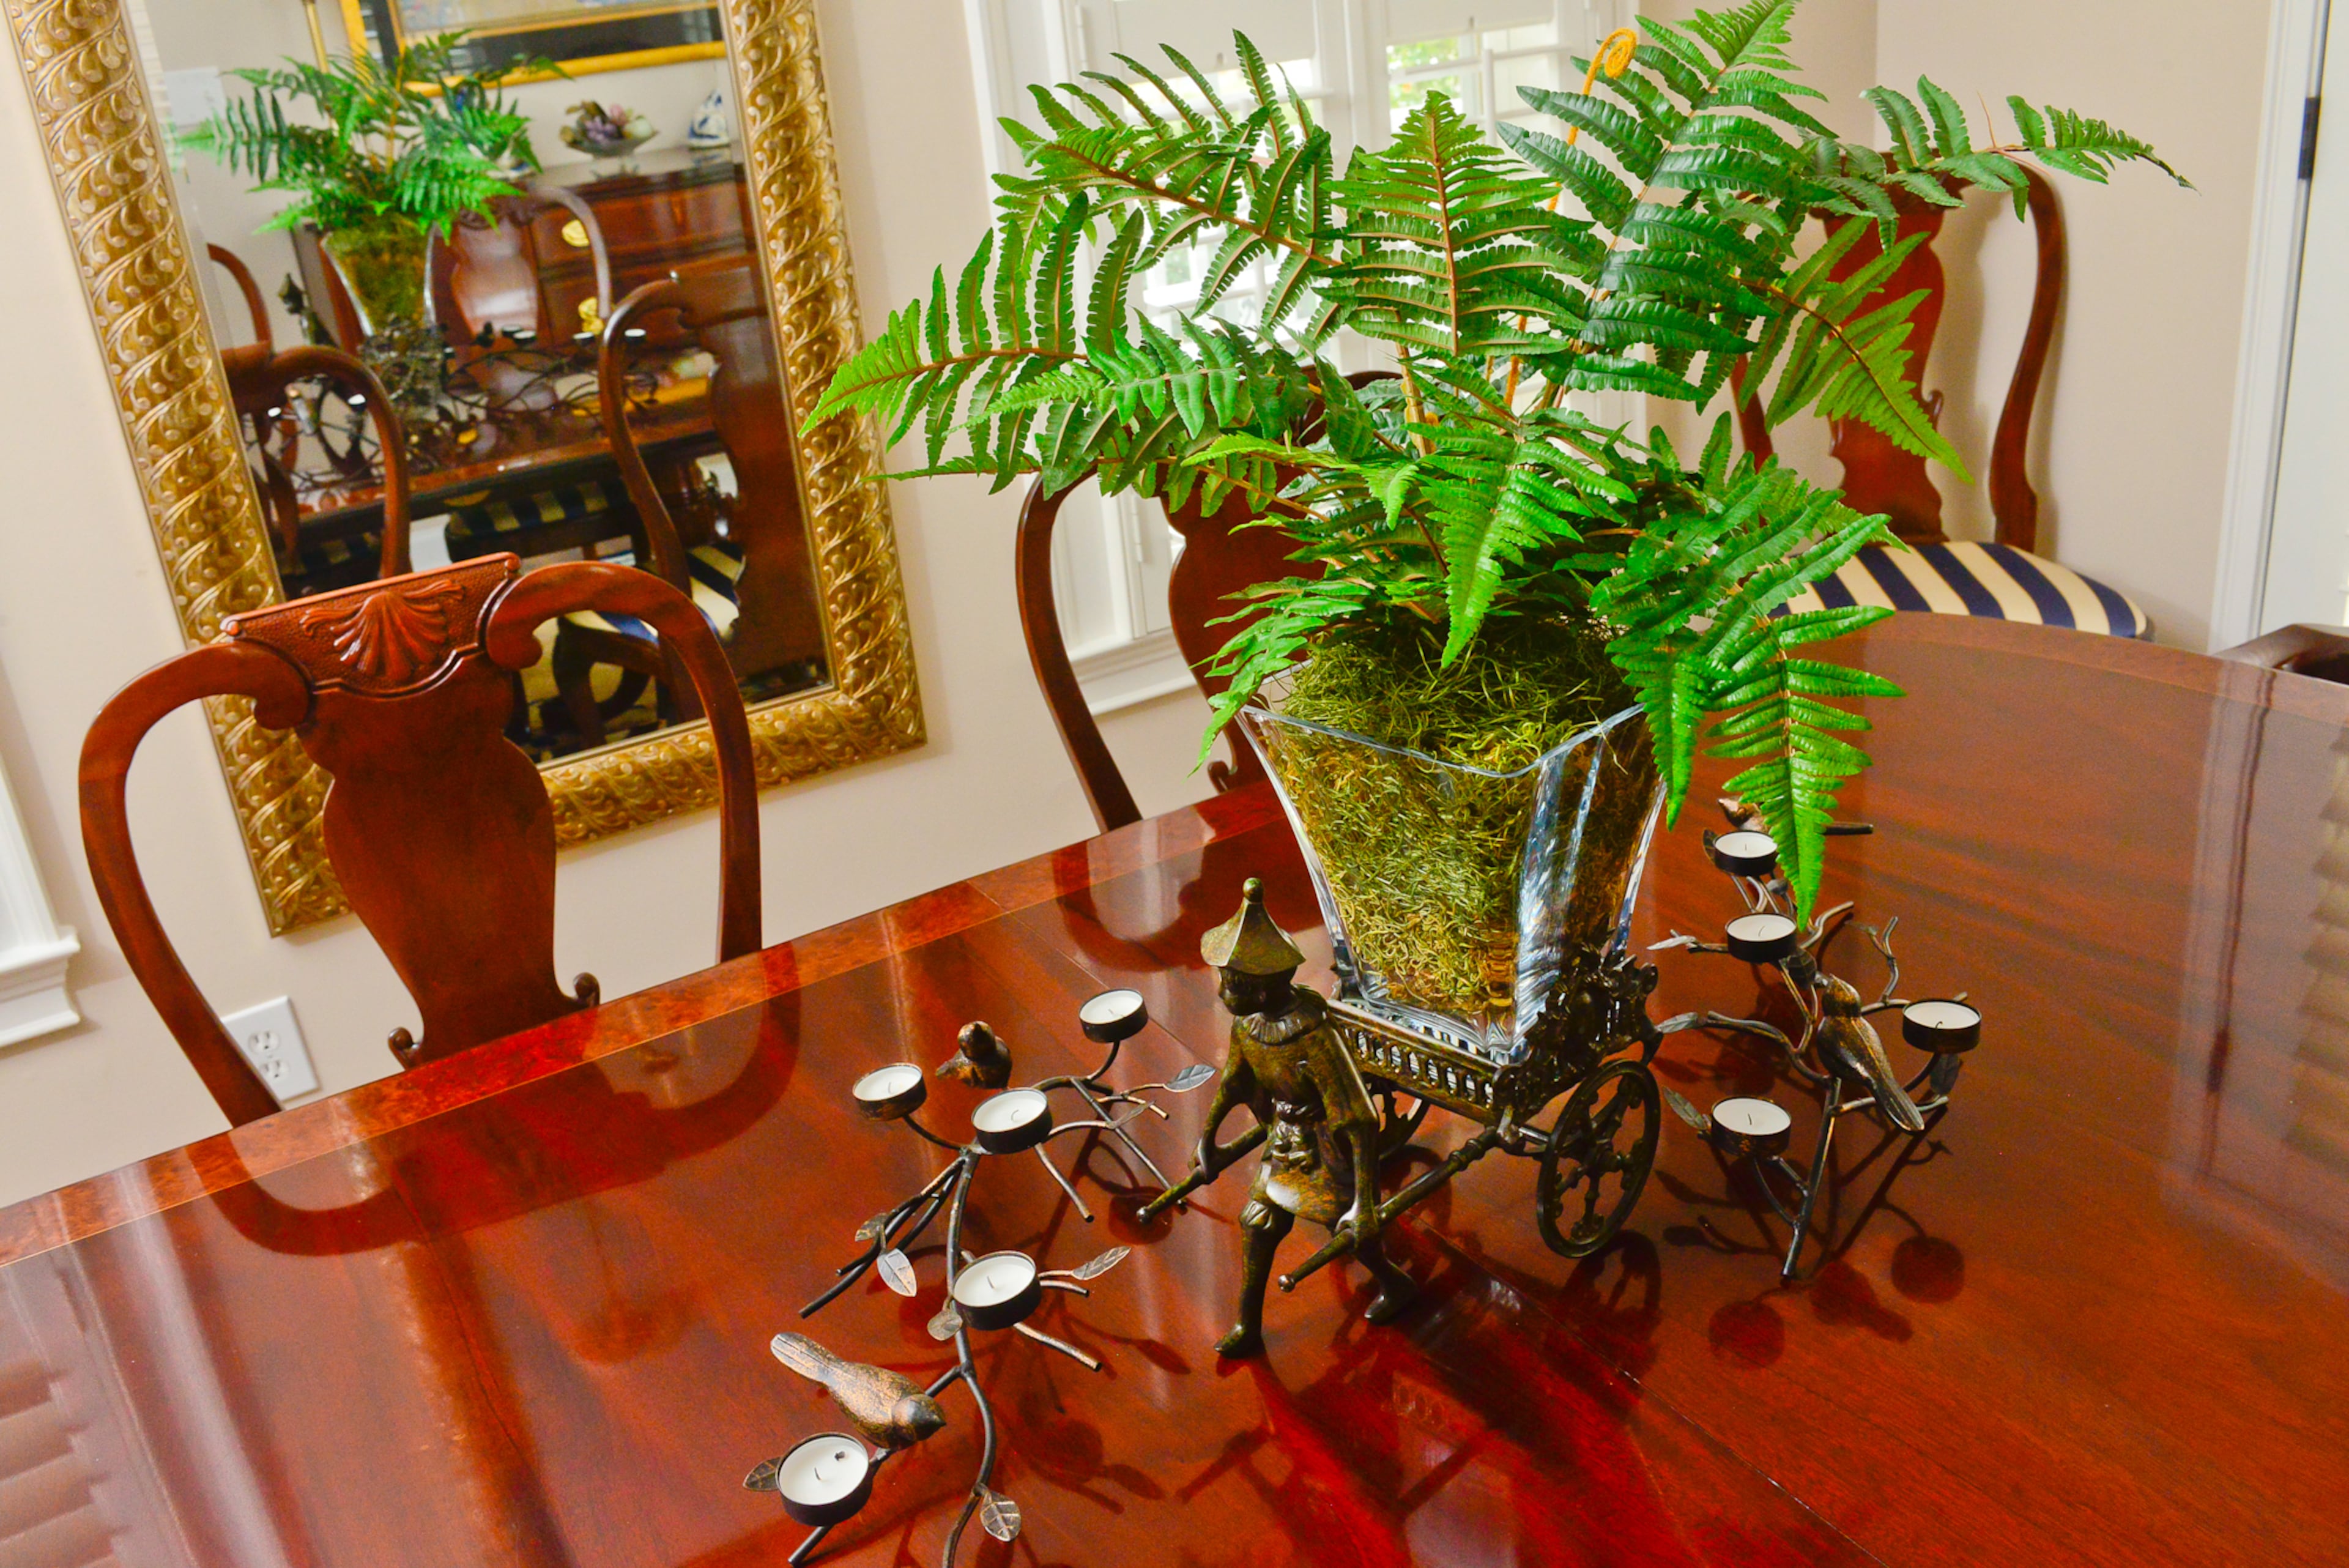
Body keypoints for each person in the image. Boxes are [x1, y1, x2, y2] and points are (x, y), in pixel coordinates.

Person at [1184, 878, 1415, 1358]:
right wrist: (1208, 1139)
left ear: (1262, 987)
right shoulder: (1249, 1027)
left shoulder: (1313, 1034)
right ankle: (1248, 1324)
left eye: (1231, 982)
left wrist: (1367, 1204)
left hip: (1327, 1143)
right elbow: (1234, 1082)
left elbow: (1358, 1117)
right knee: (1257, 1222)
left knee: (1350, 1231)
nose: (1224, 990)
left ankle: (1396, 1282)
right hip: (1285, 1140)